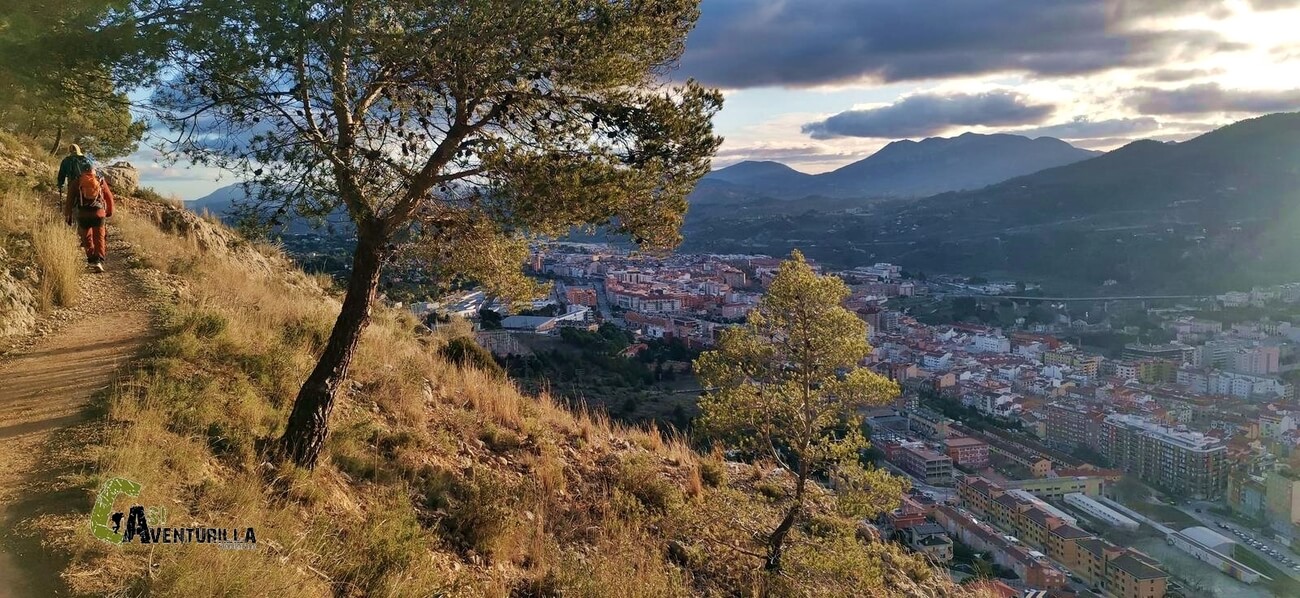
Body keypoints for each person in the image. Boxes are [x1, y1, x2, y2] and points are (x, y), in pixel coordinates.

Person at [58, 145, 115, 272]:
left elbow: (70, 200)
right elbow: (109, 197)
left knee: (87, 237)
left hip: (83, 213)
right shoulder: (100, 180)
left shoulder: (76, 181)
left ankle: (91, 259)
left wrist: (68, 215)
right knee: (99, 236)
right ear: (93, 170)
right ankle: (99, 260)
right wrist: (109, 212)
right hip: (98, 212)